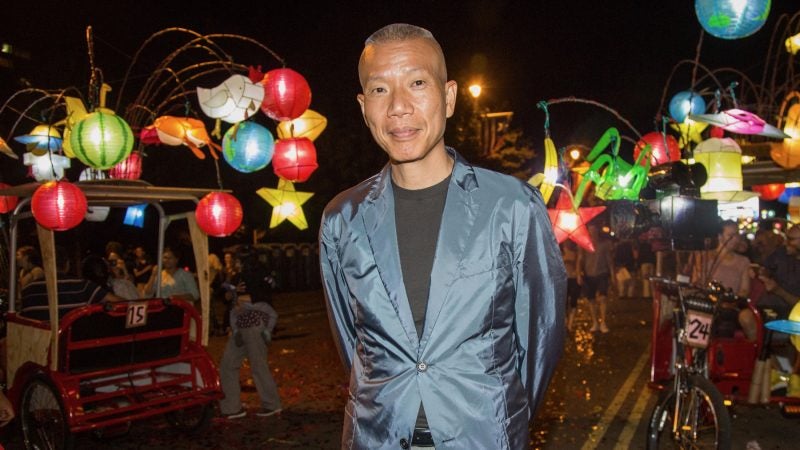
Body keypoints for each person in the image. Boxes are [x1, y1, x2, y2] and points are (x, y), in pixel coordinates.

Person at [319, 23, 566, 449]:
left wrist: (503, 415)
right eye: (380, 90)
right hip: (377, 436)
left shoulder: (511, 207)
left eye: (417, 83)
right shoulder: (342, 218)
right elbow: (350, 342)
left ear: (448, 97)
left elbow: (540, 334)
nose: (398, 107)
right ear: (363, 107)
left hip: (483, 435)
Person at [218, 248, 281, 419]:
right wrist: (232, 293)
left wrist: (241, 297)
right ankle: (231, 407)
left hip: (254, 324)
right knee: (227, 365)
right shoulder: (237, 277)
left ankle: (271, 404)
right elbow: (225, 296)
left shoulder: (258, 273)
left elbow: (264, 295)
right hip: (239, 324)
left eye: (236, 260)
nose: (233, 263)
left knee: (258, 364)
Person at [20, 248, 123, 320]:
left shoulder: (27, 291)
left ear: (44, 265)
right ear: (67, 265)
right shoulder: (83, 286)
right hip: (72, 348)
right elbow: (121, 303)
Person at [578, 224, 615, 333]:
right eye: (590, 231)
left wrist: (613, 276)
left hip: (602, 273)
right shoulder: (584, 244)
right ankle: (595, 322)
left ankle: (603, 322)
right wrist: (579, 274)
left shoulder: (605, 244)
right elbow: (580, 259)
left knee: (603, 298)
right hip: (589, 274)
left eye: (594, 230)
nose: (592, 233)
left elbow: (609, 261)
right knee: (591, 299)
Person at [562, 241, 580, 332]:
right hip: (563, 279)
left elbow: (578, 265)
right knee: (564, 302)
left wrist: (578, 275)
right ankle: (564, 322)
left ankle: (570, 324)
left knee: (573, 301)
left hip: (573, 278)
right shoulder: (558, 251)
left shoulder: (576, 252)